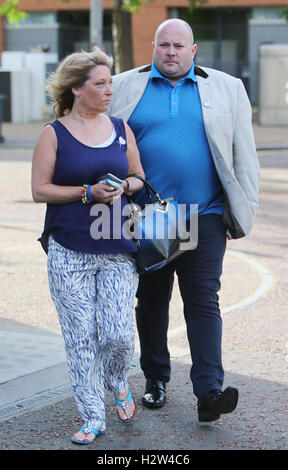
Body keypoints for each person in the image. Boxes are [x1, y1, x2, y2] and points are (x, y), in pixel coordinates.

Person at [108, 18, 260, 423]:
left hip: (204, 214)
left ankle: (209, 391)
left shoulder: (227, 88)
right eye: (163, 45)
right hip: (145, 217)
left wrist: (244, 207)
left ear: (193, 51)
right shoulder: (123, 86)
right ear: (153, 48)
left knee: (203, 301)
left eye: (179, 46)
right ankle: (156, 379)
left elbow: (245, 154)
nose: (170, 52)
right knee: (152, 301)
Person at [31, 46, 145, 444]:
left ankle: (117, 378)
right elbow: (39, 190)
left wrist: (121, 187)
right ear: (77, 88)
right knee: (80, 337)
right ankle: (93, 415)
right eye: (100, 84)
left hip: (116, 247)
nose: (109, 90)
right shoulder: (54, 133)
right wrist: (86, 193)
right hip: (69, 250)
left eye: (110, 82)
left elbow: (138, 177)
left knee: (118, 335)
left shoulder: (119, 127)